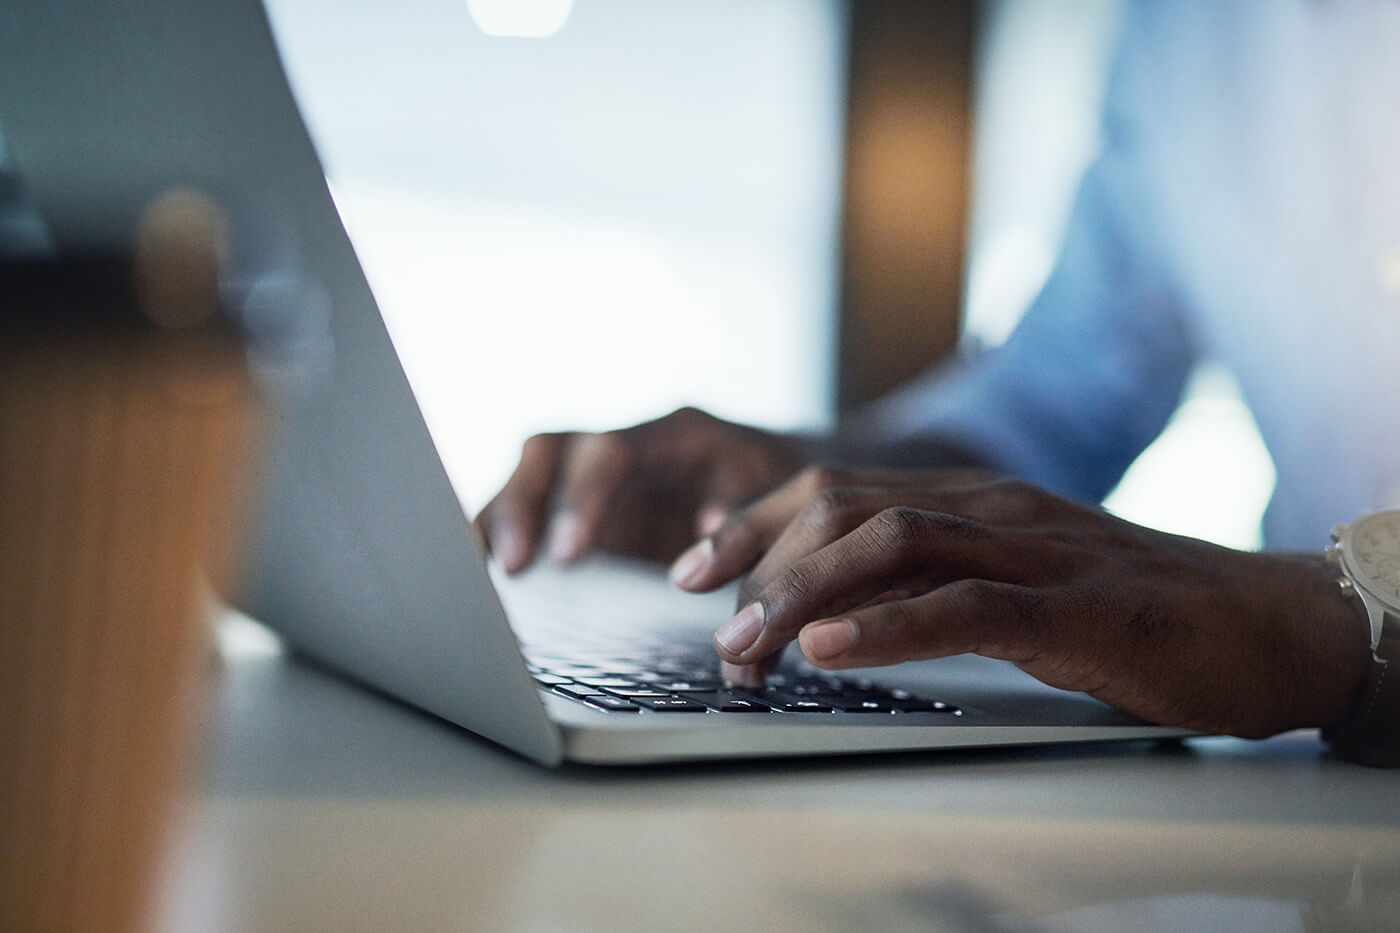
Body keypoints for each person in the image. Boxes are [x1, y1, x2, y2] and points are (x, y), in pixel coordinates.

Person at [493, 1, 1398, 762]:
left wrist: (1322, 619)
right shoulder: (1190, 27)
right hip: (1301, 796)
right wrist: (813, 481)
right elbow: (1054, 398)